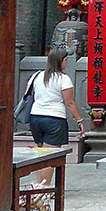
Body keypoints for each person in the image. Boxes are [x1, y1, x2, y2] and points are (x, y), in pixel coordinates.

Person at [29, 47, 86, 185]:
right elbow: (69, 102)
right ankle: (45, 188)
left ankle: (38, 185)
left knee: (40, 153)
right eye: (65, 60)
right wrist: (79, 120)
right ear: (59, 61)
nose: (66, 63)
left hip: (35, 117)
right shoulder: (63, 79)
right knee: (49, 156)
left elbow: (32, 95)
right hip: (54, 119)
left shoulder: (37, 76)